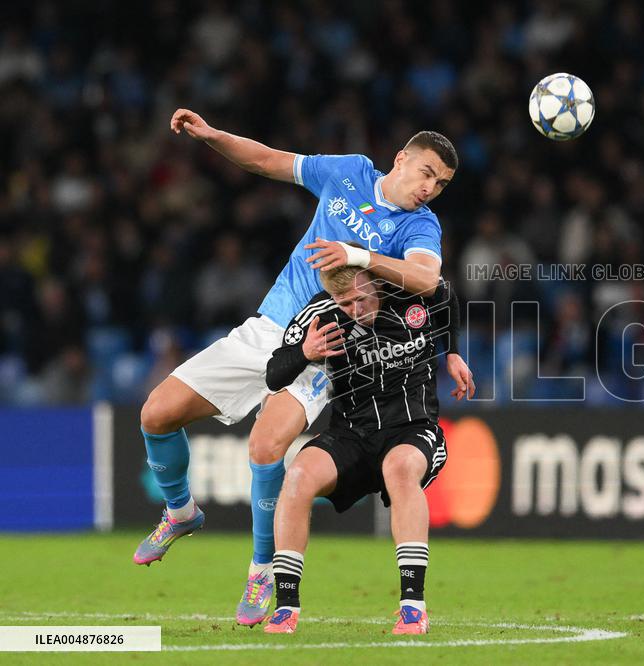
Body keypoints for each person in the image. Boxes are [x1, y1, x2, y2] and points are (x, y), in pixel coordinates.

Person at [133, 109, 475, 628]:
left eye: (442, 183)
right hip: (267, 327)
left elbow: (427, 279)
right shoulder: (347, 171)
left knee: (266, 445)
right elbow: (269, 161)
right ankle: (180, 512)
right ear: (401, 159)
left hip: (327, 343)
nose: (431, 188)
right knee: (156, 414)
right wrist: (212, 136)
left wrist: (357, 255)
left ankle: (262, 566)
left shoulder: (420, 225)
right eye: (427, 172)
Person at [261, 263, 469, 635]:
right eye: (345, 303)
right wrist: (306, 352)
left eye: (361, 298)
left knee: (400, 470)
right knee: (296, 476)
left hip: (413, 427)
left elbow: (446, 293)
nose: (356, 310)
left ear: (374, 282)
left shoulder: (410, 293)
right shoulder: (319, 314)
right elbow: (274, 373)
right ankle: (286, 608)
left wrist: (452, 352)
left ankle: (412, 608)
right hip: (351, 435)